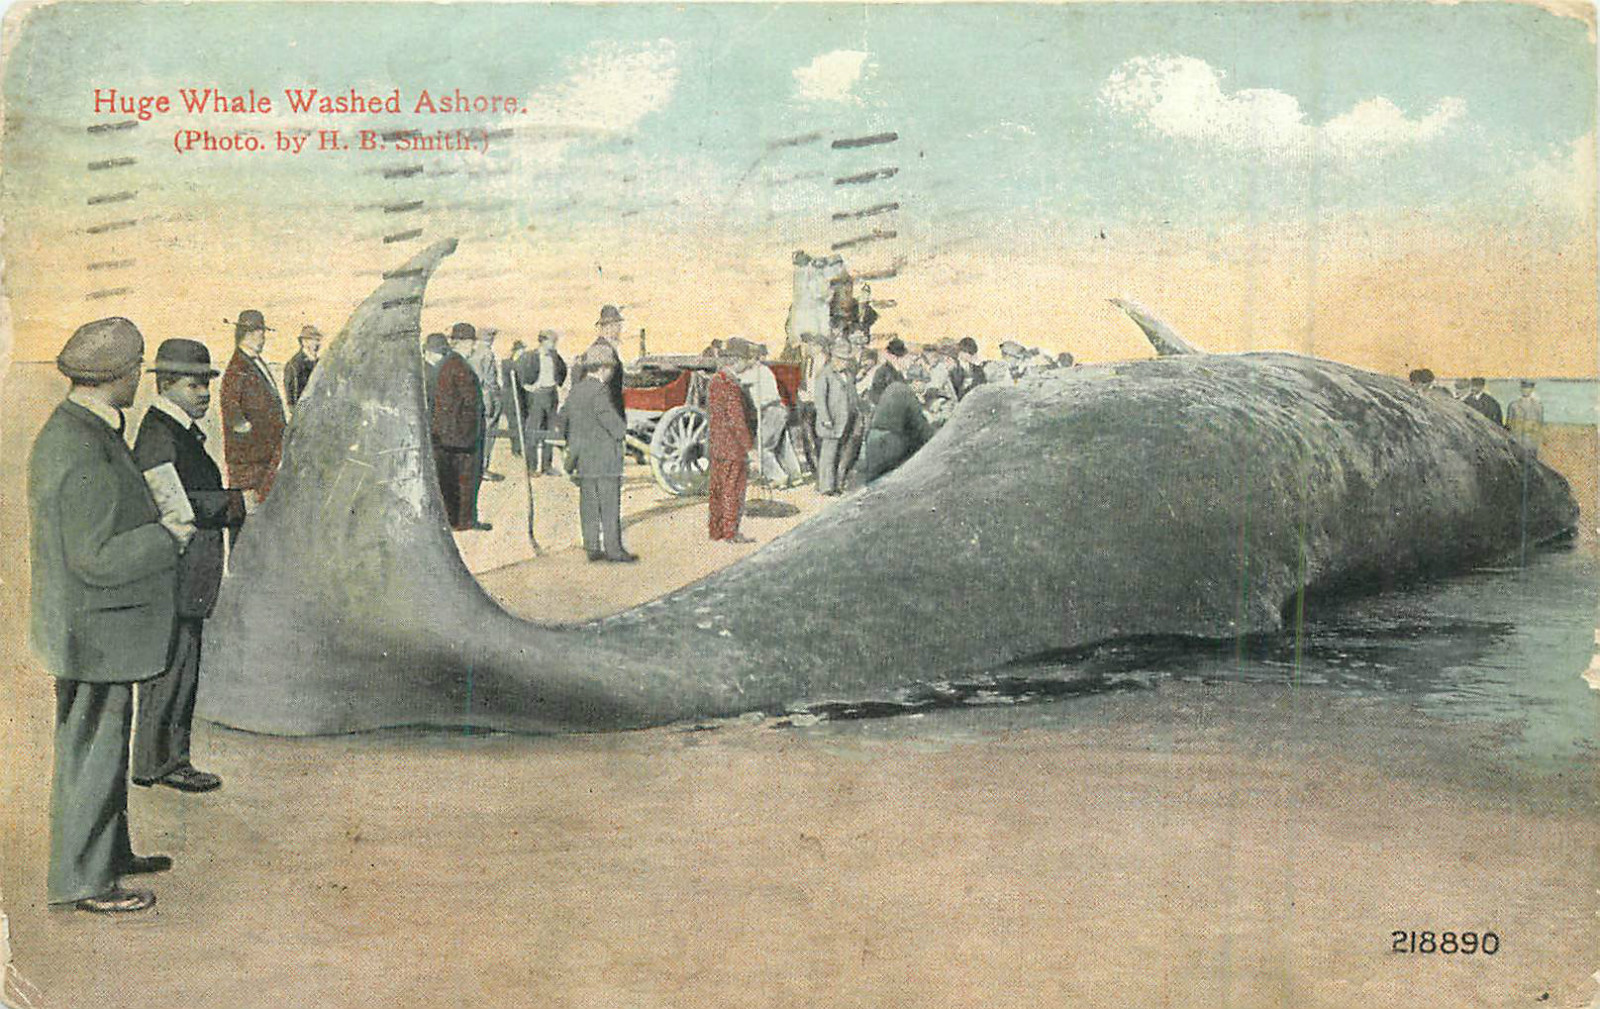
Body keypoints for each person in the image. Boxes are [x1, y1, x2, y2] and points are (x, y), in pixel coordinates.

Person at [29, 317, 189, 914]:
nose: (142, 375)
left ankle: (108, 855)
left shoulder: (84, 428)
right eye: (139, 365)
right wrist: (164, 536)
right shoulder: (79, 443)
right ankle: (84, 881)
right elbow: (94, 558)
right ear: (116, 375)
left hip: (92, 627)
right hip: (94, 629)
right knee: (93, 752)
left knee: (101, 748)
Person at [131, 339, 247, 794]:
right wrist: (236, 504)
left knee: (180, 665)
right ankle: (161, 763)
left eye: (206, 384)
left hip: (186, 573)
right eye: (194, 385)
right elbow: (172, 504)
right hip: (177, 572)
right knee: (172, 668)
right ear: (165, 384)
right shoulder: (161, 433)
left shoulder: (173, 429)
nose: (204, 393)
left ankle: (162, 760)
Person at [561, 344, 634, 561]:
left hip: (584, 460)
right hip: (605, 461)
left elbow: (568, 423)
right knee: (609, 507)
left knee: (589, 506)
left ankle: (592, 547)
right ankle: (614, 550)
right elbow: (613, 424)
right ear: (603, 368)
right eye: (610, 368)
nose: (611, 372)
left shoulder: (576, 390)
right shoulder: (600, 391)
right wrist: (622, 431)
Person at [219, 308, 287, 505]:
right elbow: (233, 414)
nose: (262, 337)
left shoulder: (256, 363)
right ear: (244, 335)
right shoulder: (238, 368)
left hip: (266, 462)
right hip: (251, 466)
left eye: (262, 331)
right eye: (256, 332)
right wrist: (256, 438)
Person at [432, 327, 489, 531]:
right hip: (464, 437)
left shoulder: (444, 365)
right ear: (463, 342)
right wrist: (474, 432)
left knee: (449, 480)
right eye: (471, 342)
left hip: (445, 436)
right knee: (467, 480)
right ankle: (466, 521)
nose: (474, 346)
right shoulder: (461, 367)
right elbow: (471, 402)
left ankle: (453, 520)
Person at [858, 338, 933, 485]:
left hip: (884, 431)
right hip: (888, 433)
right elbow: (875, 396)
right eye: (901, 357)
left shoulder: (898, 378)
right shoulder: (884, 373)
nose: (904, 361)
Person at [707, 354, 756, 542]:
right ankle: (731, 533)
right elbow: (737, 419)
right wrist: (749, 447)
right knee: (733, 490)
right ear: (736, 360)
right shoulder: (731, 384)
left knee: (717, 489)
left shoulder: (715, 381)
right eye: (745, 359)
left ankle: (716, 531)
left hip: (718, 445)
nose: (748, 363)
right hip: (733, 447)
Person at [743, 357, 803, 487]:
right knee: (783, 445)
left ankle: (778, 477)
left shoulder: (756, 372)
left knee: (762, 448)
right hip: (779, 409)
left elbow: (737, 380)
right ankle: (795, 475)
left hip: (770, 410)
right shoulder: (764, 370)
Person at [517, 329, 568, 476]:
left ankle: (547, 466)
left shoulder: (555, 356)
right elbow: (520, 372)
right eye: (552, 341)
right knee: (533, 431)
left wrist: (558, 384)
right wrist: (528, 386)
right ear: (543, 341)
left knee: (550, 431)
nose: (554, 344)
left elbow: (562, 370)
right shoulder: (529, 356)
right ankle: (531, 468)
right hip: (536, 397)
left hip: (551, 395)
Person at [813, 338, 859, 496]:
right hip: (831, 422)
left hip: (847, 421)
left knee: (842, 453)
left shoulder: (849, 374)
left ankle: (838, 485)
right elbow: (819, 399)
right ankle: (826, 487)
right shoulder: (824, 374)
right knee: (828, 455)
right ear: (833, 358)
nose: (845, 363)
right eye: (842, 359)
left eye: (847, 360)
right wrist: (825, 418)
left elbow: (853, 395)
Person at [571, 305, 627, 419]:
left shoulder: (605, 347)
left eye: (618, 325)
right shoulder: (601, 350)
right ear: (606, 327)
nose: (619, 329)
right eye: (616, 325)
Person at [466, 326, 504, 482]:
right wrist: (496, 396)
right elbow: (490, 380)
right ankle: (483, 468)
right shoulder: (487, 354)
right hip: (487, 396)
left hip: (475, 396)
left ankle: (476, 467)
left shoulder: (472, 353)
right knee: (488, 432)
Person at [282, 325, 322, 408]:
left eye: (318, 340)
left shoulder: (320, 362)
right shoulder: (294, 365)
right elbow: (292, 400)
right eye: (312, 340)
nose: (316, 343)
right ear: (304, 342)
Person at [1506, 379, 1545, 458]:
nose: (1525, 390)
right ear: (1520, 389)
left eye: (1528, 388)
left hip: (1531, 443)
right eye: (1524, 388)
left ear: (1532, 389)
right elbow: (1508, 425)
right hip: (1517, 442)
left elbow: (1539, 424)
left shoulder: (1538, 406)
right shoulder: (1513, 405)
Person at [502, 340, 527, 456]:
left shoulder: (520, 363)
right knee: (514, 422)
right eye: (521, 351)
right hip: (511, 396)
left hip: (520, 396)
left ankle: (520, 447)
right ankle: (516, 448)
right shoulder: (508, 363)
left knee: (521, 422)